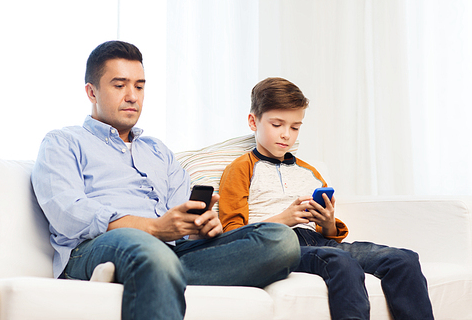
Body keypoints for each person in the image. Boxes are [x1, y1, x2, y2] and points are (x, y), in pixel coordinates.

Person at [31, 41, 300, 320]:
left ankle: (146, 275)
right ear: (92, 91)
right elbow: (68, 213)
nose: (132, 96)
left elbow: (180, 217)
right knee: (147, 248)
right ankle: (148, 267)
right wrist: (153, 228)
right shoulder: (63, 142)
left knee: (280, 240)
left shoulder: (158, 151)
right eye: (119, 85)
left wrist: (199, 226)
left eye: (139, 86)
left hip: (171, 250)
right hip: (99, 246)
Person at [218, 77, 434, 320]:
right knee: (340, 260)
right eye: (277, 124)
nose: (286, 135)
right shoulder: (240, 169)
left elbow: (327, 232)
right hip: (279, 247)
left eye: (295, 127)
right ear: (253, 121)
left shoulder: (310, 172)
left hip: (321, 242)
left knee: (404, 259)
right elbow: (233, 234)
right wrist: (283, 219)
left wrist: (328, 221)